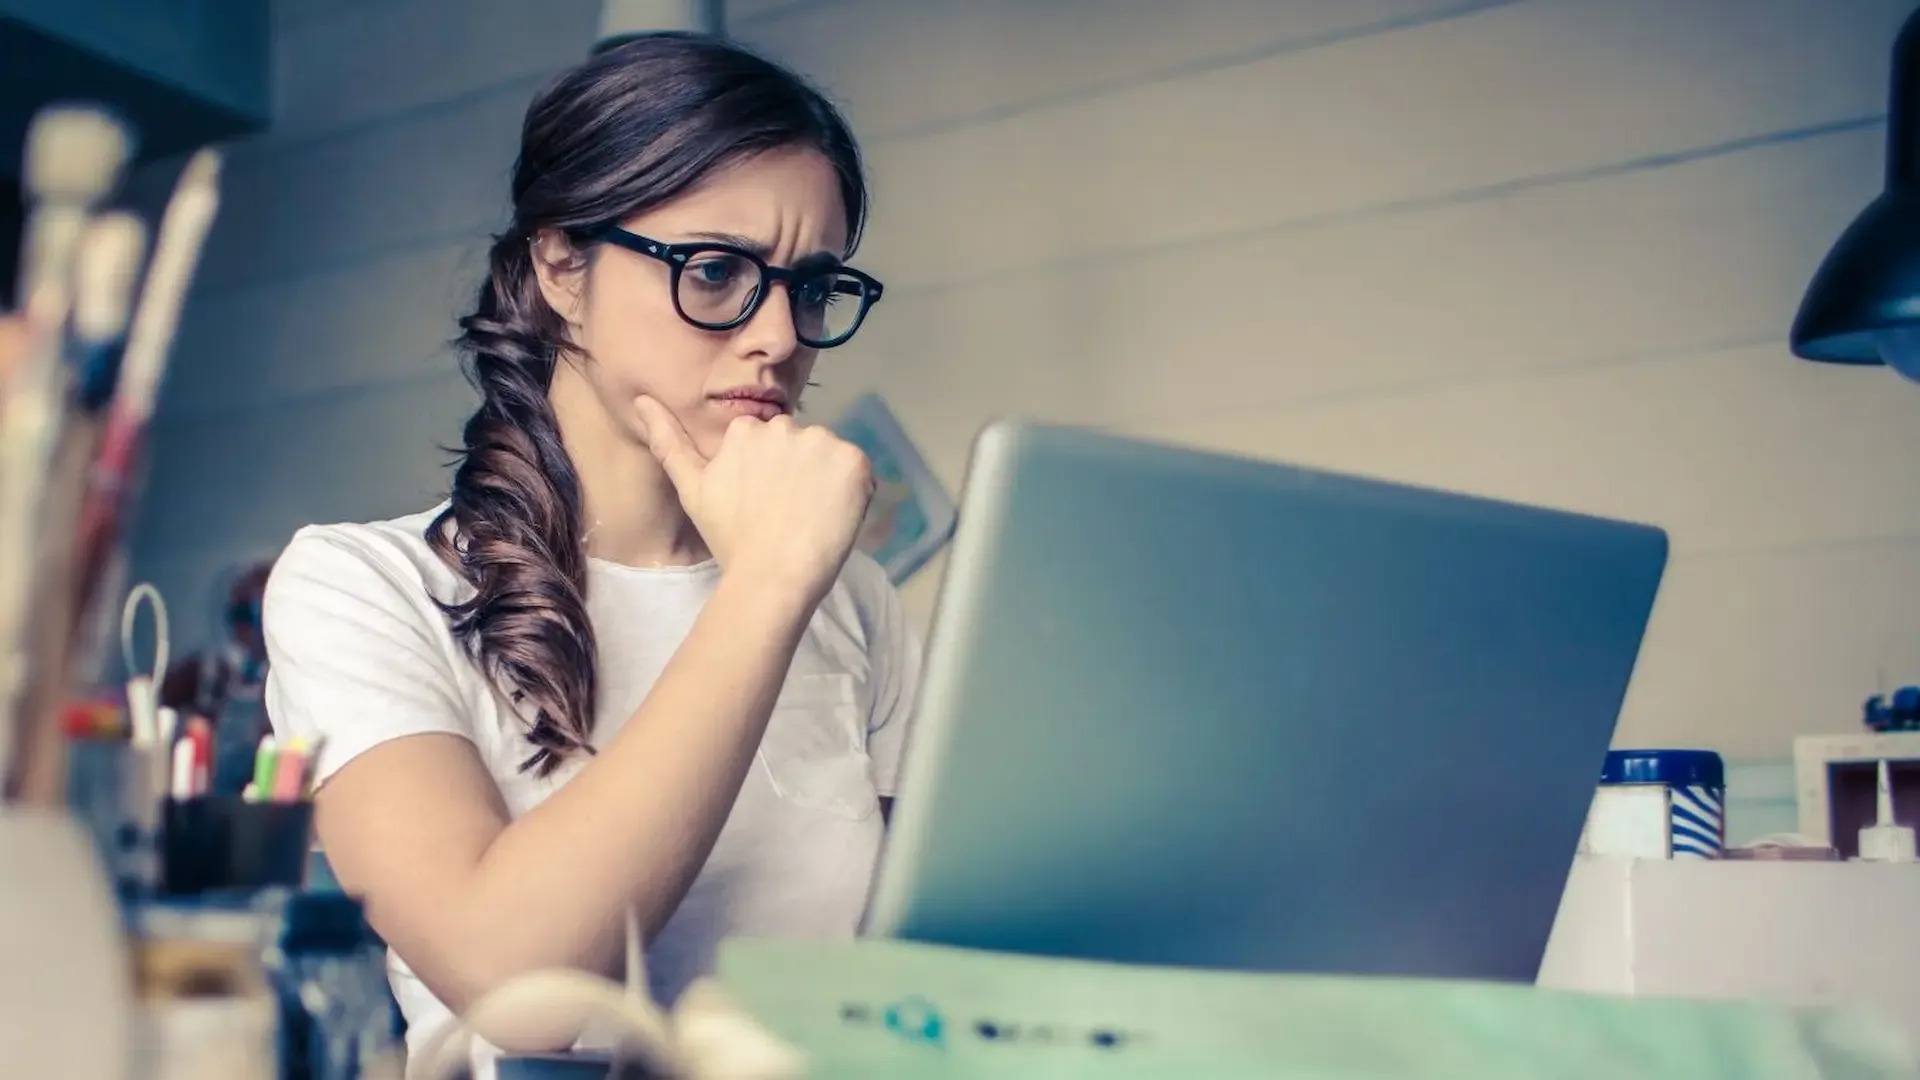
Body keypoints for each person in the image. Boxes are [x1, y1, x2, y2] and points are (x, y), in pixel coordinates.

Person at [259, 32, 916, 1062]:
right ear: (562, 265)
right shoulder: (363, 587)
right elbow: (523, 993)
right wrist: (771, 584)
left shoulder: (857, 602)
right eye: (715, 271)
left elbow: (915, 979)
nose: (780, 337)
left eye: (813, 286)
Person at [159, 559, 275, 795]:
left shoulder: (286, 681)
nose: (253, 631)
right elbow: (152, 707)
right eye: (244, 615)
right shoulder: (204, 671)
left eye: (262, 616)